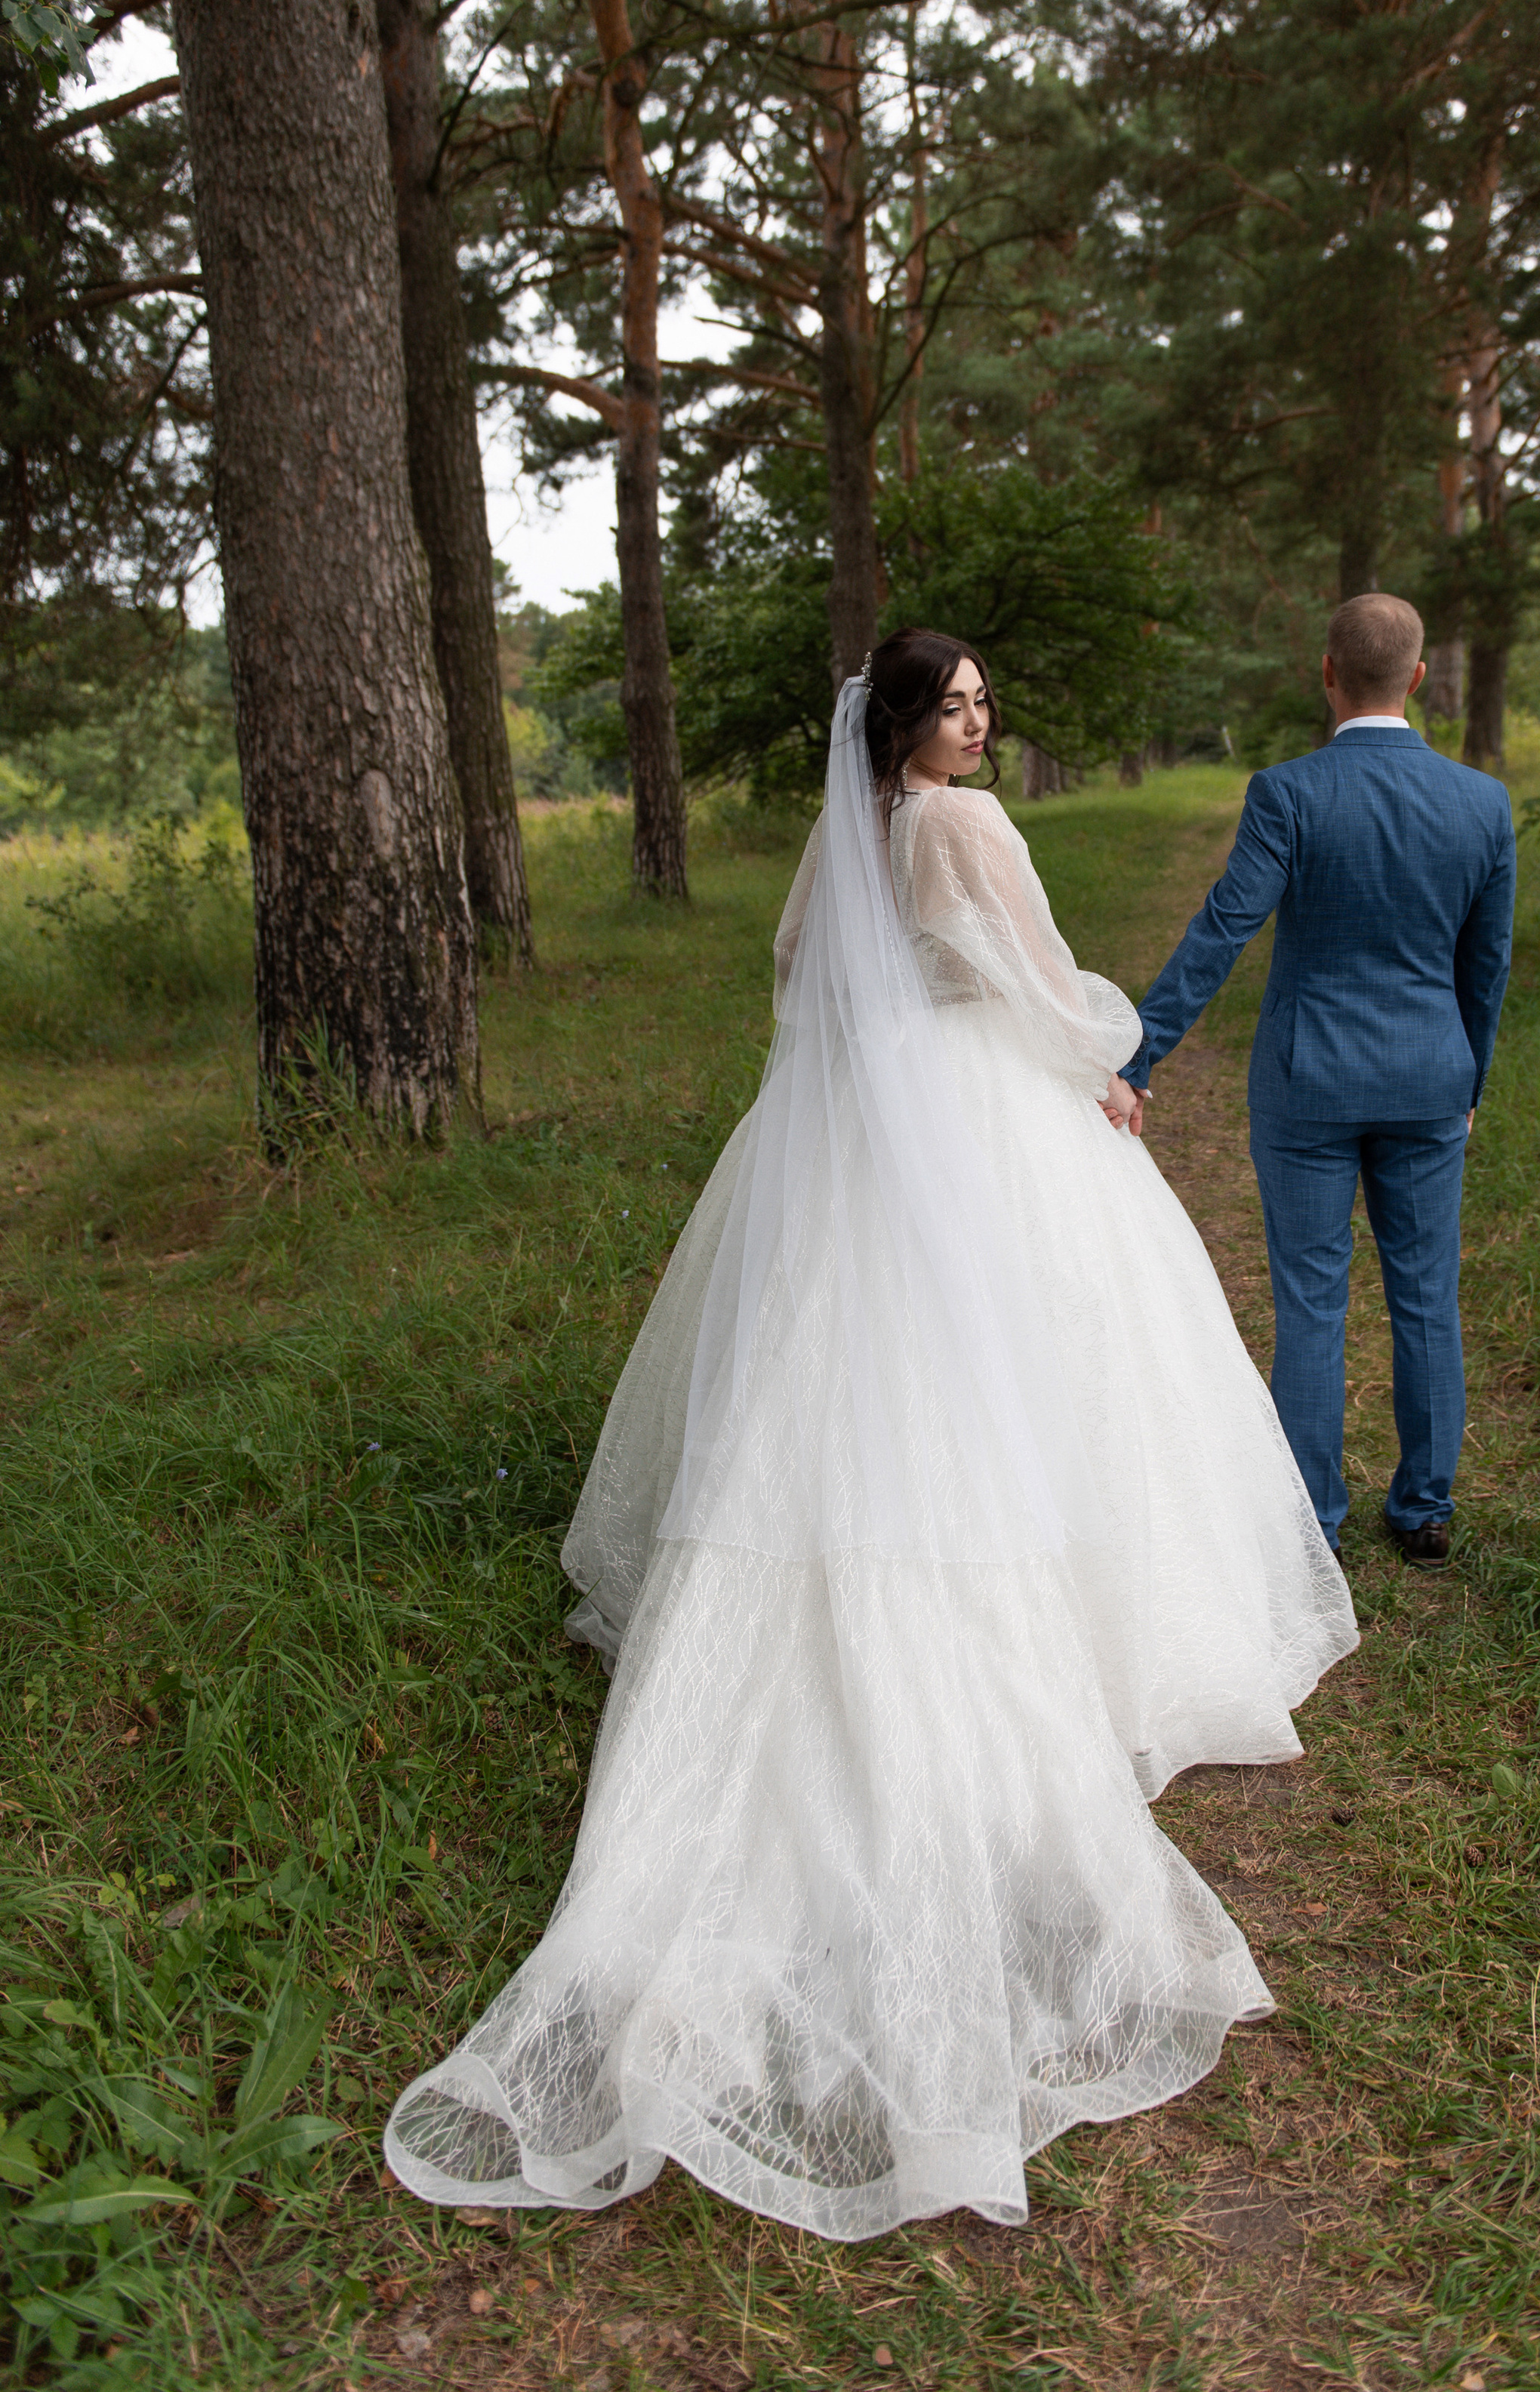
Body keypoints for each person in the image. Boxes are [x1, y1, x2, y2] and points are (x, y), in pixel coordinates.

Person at [384, 628, 1357, 2241]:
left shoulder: (861, 836)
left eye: (986, 693)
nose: (978, 718)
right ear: (908, 725)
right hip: (985, 1113)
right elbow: (1036, 980)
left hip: (869, 1120)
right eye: (956, 701)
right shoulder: (964, 825)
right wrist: (1104, 1068)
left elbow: (794, 980)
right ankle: (1079, 1639)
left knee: (846, 1384)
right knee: (1050, 1370)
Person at [1124, 594, 1515, 1567]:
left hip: (1309, 1083)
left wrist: (1138, 1056)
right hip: (1431, 1079)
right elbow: (1487, 963)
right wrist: (1469, 1078)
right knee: (1426, 1295)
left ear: (1328, 674)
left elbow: (1223, 929)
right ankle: (1424, 1510)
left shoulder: (1289, 793)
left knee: (1311, 1299)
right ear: (1417, 678)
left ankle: (1315, 1526)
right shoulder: (1482, 802)